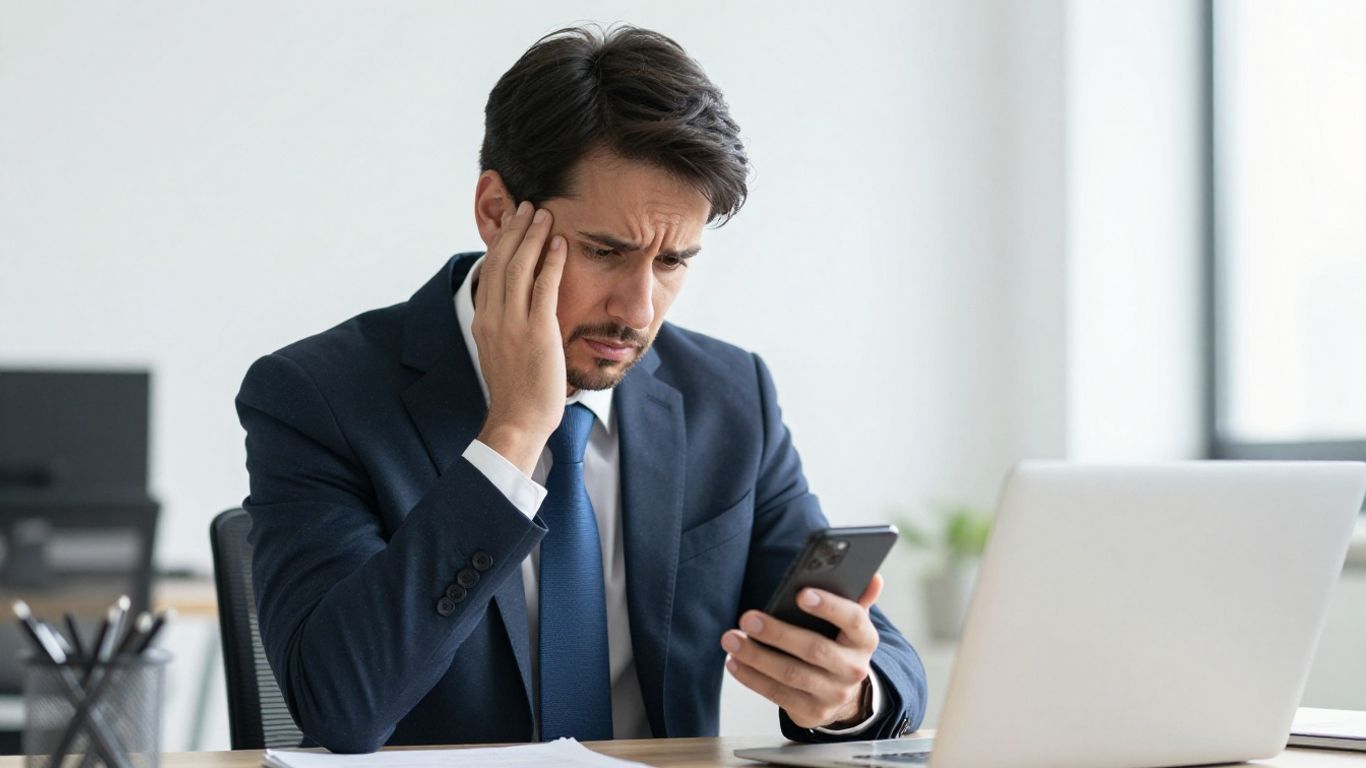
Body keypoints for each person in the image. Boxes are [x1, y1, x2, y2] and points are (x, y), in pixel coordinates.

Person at [236, 24, 926, 753]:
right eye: (606, 252)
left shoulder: (728, 397)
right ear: (498, 214)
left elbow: (881, 657)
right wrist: (512, 434)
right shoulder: (316, 396)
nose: (639, 310)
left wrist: (849, 690)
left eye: (673, 263)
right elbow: (339, 705)